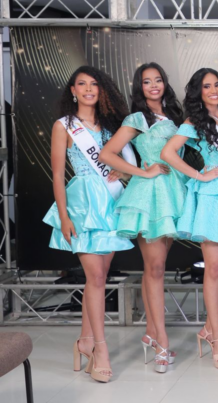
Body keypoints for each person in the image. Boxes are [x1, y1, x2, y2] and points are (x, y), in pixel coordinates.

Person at [43, 66, 134, 382]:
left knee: (101, 277)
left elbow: (127, 164)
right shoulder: (64, 126)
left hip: (111, 203)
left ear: (102, 89)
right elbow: (57, 175)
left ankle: (84, 341)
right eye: (81, 84)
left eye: (94, 84)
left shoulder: (112, 125)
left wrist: (123, 173)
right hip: (83, 205)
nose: (88, 89)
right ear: (73, 90)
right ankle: (101, 350)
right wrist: (64, 216)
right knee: (95, 277)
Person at [161, 68, 218, 370]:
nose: (213, 90)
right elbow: (168, 153)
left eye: (217, 85)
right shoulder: (194, 121)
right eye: (206, 86)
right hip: (212, 193)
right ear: (197, 92)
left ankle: (208, 329)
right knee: (213, 267)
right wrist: (200, 175)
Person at [98, 63, 185, 373]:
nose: (153, 85)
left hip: (174, 193)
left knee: (157, 268)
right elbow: (107, 153)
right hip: (149, 197)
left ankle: (151, 332)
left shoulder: (175, 117)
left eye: (158, 80)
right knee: (155, 268)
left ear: (165, 83)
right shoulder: (137, 119)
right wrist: (140, 172)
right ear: (139, 87)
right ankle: (162, 340)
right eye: (147, 82)